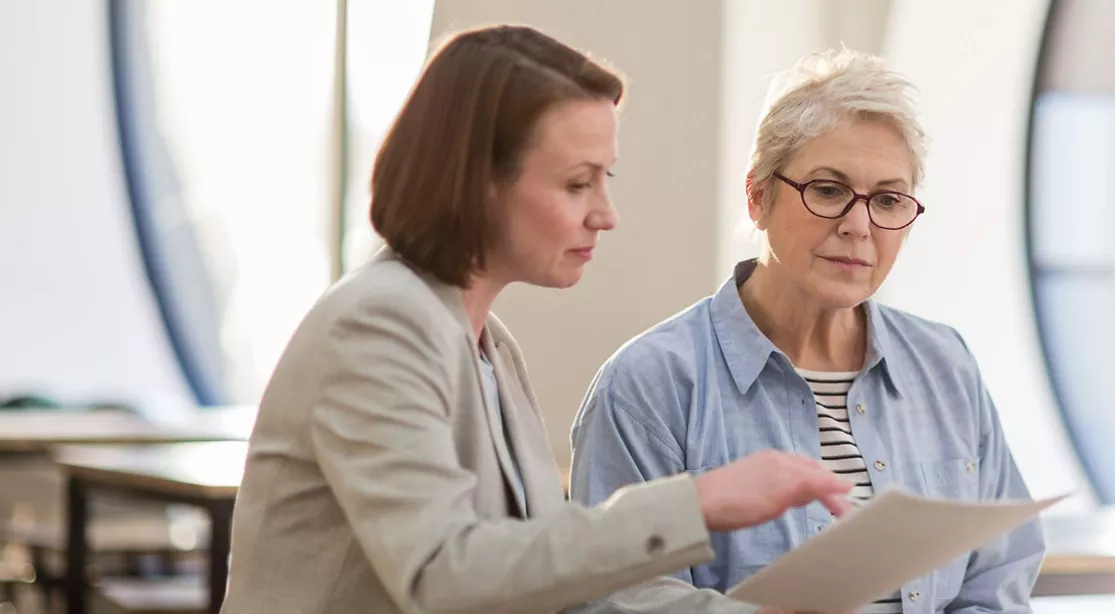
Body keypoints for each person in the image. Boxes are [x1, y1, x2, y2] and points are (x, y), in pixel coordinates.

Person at [222, 25, 854, 614]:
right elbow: (445, 575)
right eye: (578, 184)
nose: (605, 214)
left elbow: (536, 571)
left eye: (603, 179)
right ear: (476, 182)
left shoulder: (491, 345)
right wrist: (700, 502)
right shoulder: (379, 323)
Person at [569, 48, 1047, 613]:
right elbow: (616, 597)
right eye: (827, 190)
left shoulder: (945, 363)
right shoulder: (650, 384)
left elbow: (999, 576)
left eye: (889, 200)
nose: (858, 226)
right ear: (757, 197)